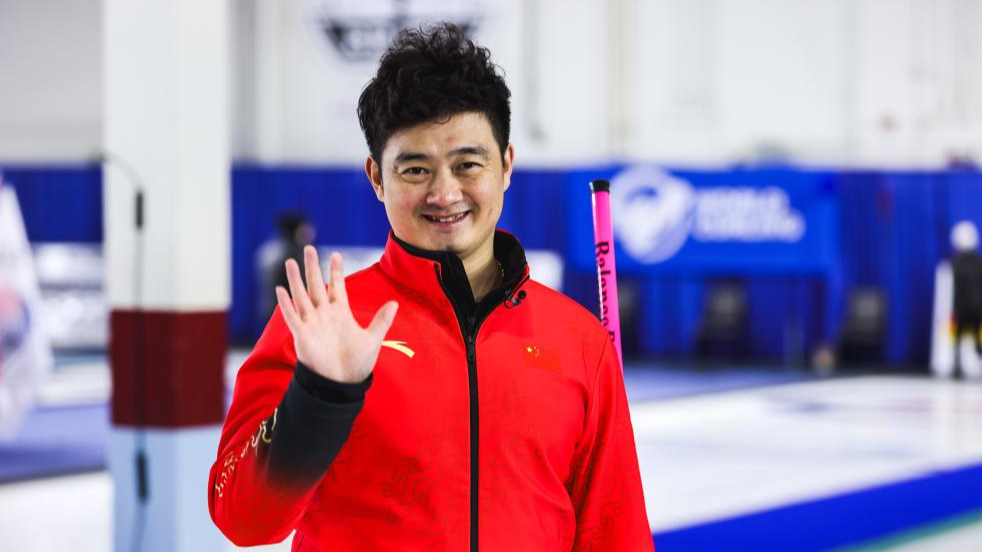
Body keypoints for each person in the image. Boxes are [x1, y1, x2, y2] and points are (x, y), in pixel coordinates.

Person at [208, 23, 653, 552]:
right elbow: (241, 519)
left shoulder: (577, 340)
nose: (444, 193)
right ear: (377, 178)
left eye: (467, 164)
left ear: (506, 166)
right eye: (415, 169)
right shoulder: (326, 324)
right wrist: (320, 395)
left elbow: (616, 535)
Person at [951, 221, 982, 377]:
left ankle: (957, 365)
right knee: (975, 336)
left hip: (963, 309)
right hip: (977, 308)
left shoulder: (956, 264)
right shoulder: (978, 262)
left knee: (960, 336)